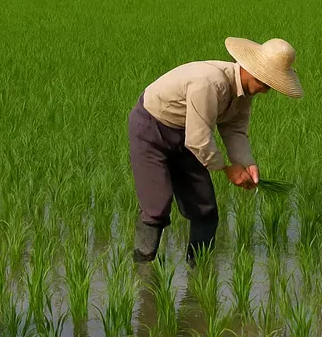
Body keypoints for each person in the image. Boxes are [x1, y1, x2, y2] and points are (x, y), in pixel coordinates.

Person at [128, 37, 302, 263]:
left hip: (186, 134)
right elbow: (198, 139)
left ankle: (199, 273)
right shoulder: (211, 84)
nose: (266, 91)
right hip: (151, 130)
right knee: (157, 208)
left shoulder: (244, 93)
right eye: (266, 84)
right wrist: (226, 169)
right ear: (250, 70)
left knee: (205, 208)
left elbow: (235, 129)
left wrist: (247, 163)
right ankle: (143, 267)